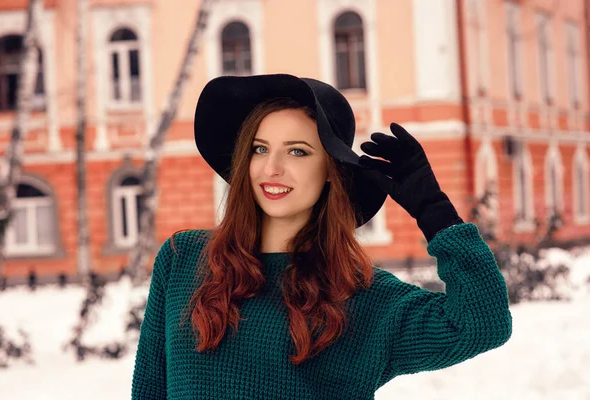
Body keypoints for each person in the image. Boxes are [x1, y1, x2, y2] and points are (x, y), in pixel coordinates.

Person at [131, 74, 512, 399]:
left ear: (332, 170)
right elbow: (149, 391)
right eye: (260, 149)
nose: (272, 168)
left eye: (297, 152)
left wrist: (434, 211)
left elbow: (482, 322)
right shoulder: (183, 260)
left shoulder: (364, 296)